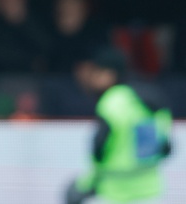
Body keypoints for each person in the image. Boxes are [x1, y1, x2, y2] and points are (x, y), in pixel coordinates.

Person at [65, 48, 172, 204]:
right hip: (151, 190)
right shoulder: (152, 98)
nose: (92, 79)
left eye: (96, 72)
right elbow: (166, 147)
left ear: (110, 73)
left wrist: (85, 184)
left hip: (116, 192)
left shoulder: (112, 101)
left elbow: (100, 149)